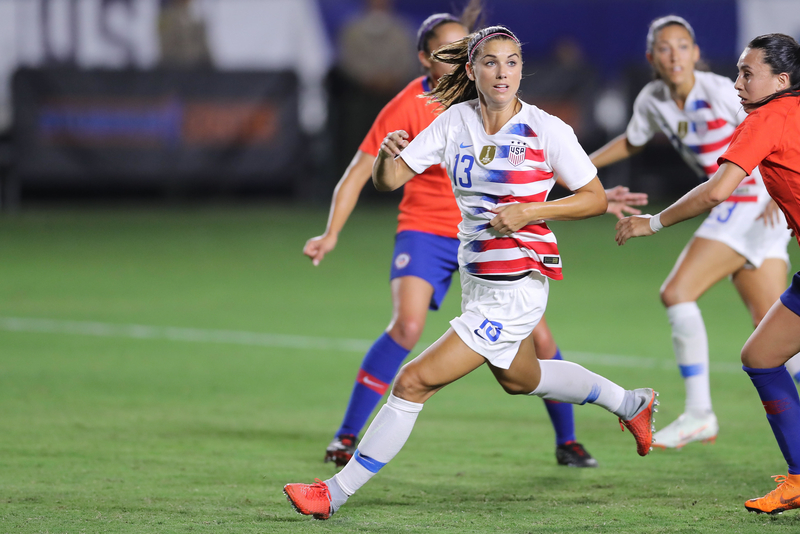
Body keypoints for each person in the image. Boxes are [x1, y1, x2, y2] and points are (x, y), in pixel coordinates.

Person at [286, 25, 658, 520]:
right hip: (478, 283)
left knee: (413, 381)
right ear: (471, 70)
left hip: (517, 286)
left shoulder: (547, 129)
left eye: (511, 62)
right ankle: (631, 403)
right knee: (521, 379)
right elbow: (390, 179)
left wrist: (531, 212)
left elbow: (592, 198)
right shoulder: (453, 120)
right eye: (490, 62)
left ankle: (333, 492)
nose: (502, 72)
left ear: (522, 69)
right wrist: (387, 156)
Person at [589, 15, 800, 450]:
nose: (674, 55)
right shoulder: (654, 99)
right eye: (664, 48)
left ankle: (700, 413)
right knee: (773, 341)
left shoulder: (727, 94)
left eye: (683, 46)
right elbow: (633, 139)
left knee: (677, 292)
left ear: (696, 52)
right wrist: (580, 166)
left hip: (745, 203)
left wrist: (653, 222)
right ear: (651, 57)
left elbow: (733, 174)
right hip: (747, 208)